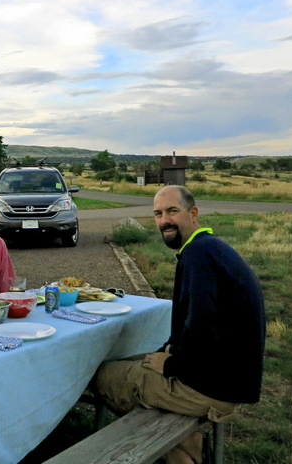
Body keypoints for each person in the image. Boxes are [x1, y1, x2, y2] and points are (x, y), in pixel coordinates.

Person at [93, 185, 265, 464]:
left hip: (213, 387)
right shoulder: (210, 247)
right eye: (158, 214)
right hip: (228, 377)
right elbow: (199, 323)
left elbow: (201, 329)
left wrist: (171, 365)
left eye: (172, 211)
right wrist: (169, 350)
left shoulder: (198, 255)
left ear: (193, 213)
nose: (164, 221)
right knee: (137, 361)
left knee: (103, 375)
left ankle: (183, 448)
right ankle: (186, 444)